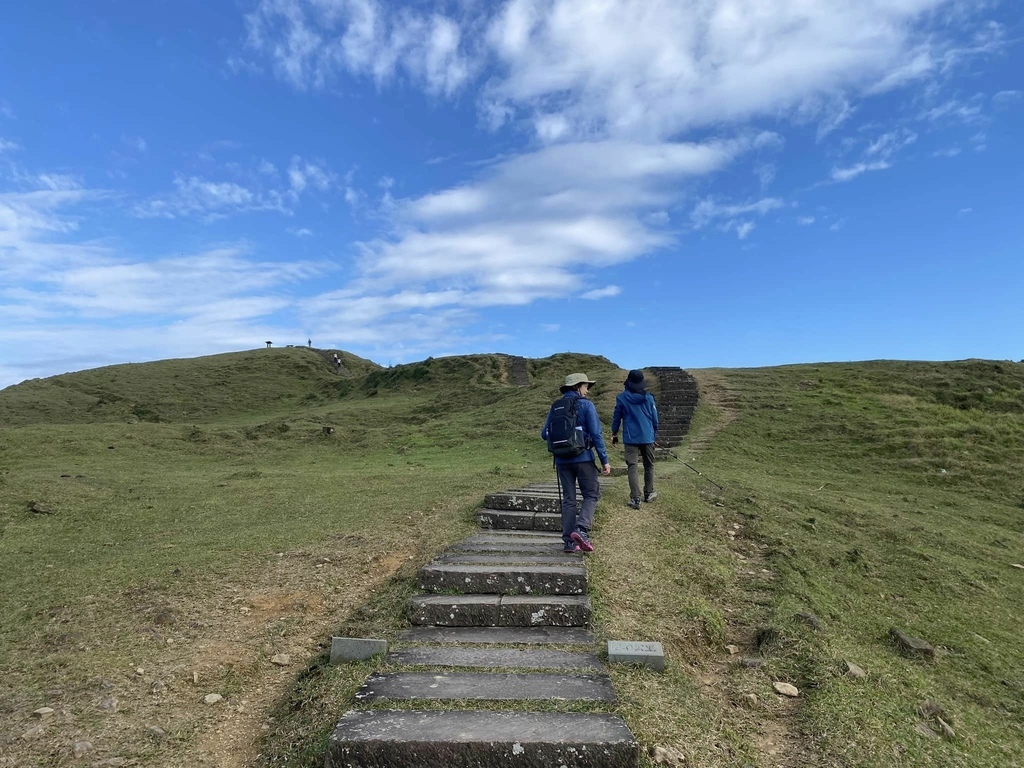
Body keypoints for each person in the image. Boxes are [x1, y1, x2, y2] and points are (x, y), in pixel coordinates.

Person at [541, 373, 611, 553]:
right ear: (577, 387)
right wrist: (604, 460)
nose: (587, 391)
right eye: (586, 386)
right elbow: (596, 434)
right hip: (584, 458)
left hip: (562, 460)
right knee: (591, 494)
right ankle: (581, 528)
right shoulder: (586, 405)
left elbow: (544, 434)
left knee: (569, 499)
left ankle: (568, 542)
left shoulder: (556, 406)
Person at [611, 369, 659, 510]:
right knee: (649, 465)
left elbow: (617, 418)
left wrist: (614, 433)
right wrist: (653, 435)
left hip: (630, 438)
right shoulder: (649, 398)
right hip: (647, 437)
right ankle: (649, 493)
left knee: (632, 466)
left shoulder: (621, 398)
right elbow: (655, 420)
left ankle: (635, 498)